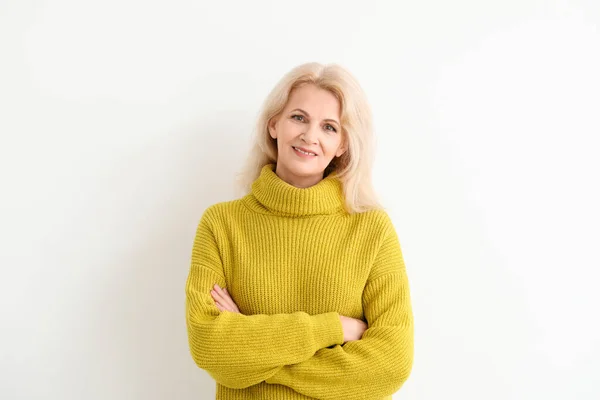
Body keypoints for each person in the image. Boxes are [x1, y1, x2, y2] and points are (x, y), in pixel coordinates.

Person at [185, 62, 414, 400]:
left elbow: (391, 363)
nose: (310, 136)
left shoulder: (372, 230)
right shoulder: (221, 225)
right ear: (273, 124)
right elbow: (209, 345)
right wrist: (334, 327)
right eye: (299, 118)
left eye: (329, 127)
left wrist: (255, 359)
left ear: (342, 146)